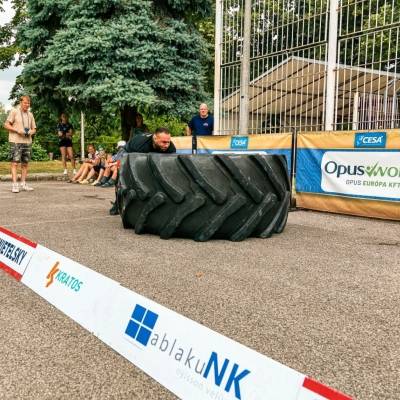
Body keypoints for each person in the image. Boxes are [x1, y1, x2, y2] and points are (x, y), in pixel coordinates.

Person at [109, 128, 176, 214]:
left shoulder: (171, 148)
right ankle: (117, 205)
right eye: (163, 142)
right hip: (128, 152)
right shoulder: (140, 145)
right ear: (155, 138)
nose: (166, 145)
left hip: (147, 154)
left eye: (168, 142)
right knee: (122, 178)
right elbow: (135, 168)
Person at [3, 95, 37, 193]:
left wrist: (30, 132)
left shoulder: (30, 114)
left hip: (27, 142)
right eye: (25, 103)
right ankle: (14, 185)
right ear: (21, 103)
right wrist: (17, 130)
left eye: (28, 103)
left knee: (25, 164)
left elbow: (34, 129)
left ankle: (23, 184)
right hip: (16, 141)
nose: (27, 105)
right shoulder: (14, 111)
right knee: (15, 163)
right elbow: (6, 124)